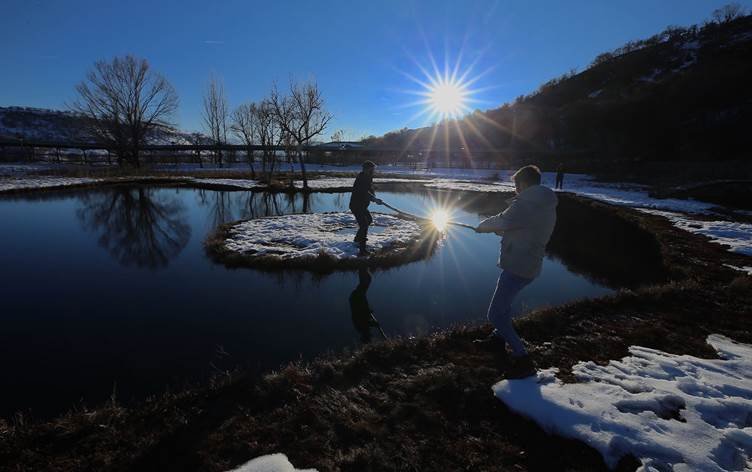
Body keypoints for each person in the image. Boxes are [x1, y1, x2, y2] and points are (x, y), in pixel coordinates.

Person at [474, 165, 558, 377]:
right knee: (504, 306)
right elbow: (523, 227)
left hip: (518, 265)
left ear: (523, 183)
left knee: (494, 314)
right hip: (528, 263)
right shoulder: (542, 203)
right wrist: (503, 231)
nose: (515, 189)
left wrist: (483, 226)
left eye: (516, 185)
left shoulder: (526, 203)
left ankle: (521, 355)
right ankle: (497, 339)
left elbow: (505, 219)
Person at [349, 161, 383, 256]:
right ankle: (362, 250)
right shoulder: (361, 178)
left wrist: (374, 198)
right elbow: (363, 192)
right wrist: (373, 198)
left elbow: (370, 190)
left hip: (362, 206)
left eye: (373, 169)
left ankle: (357, 238)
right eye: (372, 169)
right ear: (366, 169)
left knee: (369, 220)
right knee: (364, 225)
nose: (373, 170)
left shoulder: (368, 177)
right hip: (356, 206)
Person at [349, 267, 385, 343]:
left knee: (365, 283)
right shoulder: (363, 329)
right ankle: (363, 268)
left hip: (356, 299)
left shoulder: (361, 328)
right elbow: (365, 319)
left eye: (369, 335)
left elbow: (362, 319)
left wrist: (374, 323)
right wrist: (369, 313)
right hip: (357, 300)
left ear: (365, 335)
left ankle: (362, 267)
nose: (370, 333)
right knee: (366, 282)